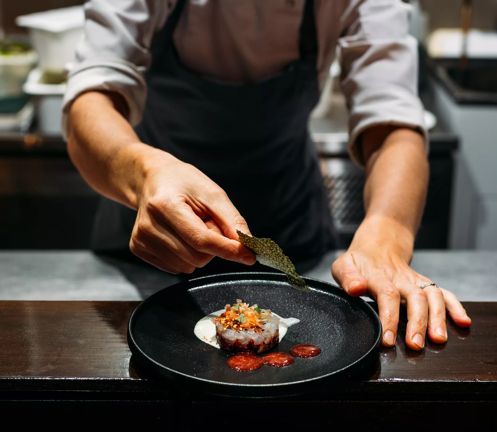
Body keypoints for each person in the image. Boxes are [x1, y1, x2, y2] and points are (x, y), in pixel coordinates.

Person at [63, 0, 471, 351]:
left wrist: (389, 231)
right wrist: (145, 172)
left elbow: (394, 124)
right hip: (151, 238)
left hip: (291, 241)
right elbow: (91, 99)